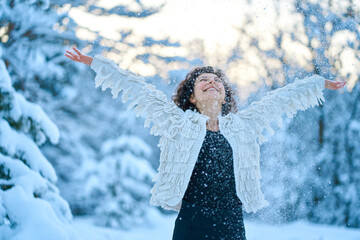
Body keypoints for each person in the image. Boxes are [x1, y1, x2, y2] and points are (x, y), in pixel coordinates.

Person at [65, 47, 346, 240]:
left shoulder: (244, 126)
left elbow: (279, 101)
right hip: (192, 220)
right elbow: (138, 89)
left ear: (224, 96)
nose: (212, 83)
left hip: (231, 222)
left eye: (217, 81)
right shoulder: (177, 123)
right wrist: (97, 63)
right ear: (192, 97)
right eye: (203, 80)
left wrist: (316, 84)